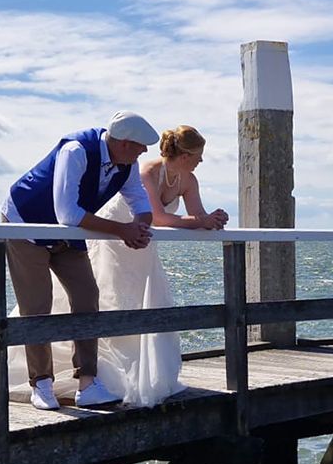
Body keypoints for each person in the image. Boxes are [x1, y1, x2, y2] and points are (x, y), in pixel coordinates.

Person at [0, 110, 158, 410]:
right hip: (26, 224)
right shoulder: (76, 150)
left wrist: (140, 227)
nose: (144, 151)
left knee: (87, 296)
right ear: (124, 143)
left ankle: (87, 383)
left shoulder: (128, 164)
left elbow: (140, 202)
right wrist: (122, 230)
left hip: (67, 232)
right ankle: (41, 384)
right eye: (140, 145)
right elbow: (67, 214)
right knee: (37, 305)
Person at [87, 124, 228, 406]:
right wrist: (200, 222)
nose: (201, 161)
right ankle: (104, 375)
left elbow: (196, 215)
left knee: (147, 302)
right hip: (117, 241)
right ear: (185, 155)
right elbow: (158, 217)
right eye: (198, 155)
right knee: (115, 300)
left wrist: (212, 219)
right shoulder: (147, 173)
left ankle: (142, 374)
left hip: (144, 248)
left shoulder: (189, 179)